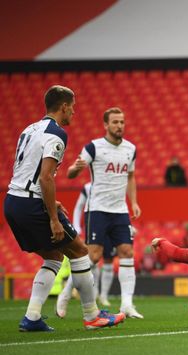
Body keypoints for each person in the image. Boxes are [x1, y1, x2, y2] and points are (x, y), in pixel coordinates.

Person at [3, 85, 125, 331]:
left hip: (14, 200)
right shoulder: (57, 134)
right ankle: (92, 316)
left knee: (55, 256)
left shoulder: (29, 129)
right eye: (73, 107)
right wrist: (53, 218)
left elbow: (27, 170)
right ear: (64, 106)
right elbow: (45, 177)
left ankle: (32, 317)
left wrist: (47, 201)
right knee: (80, 251)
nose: (74, 113)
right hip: (31, 202)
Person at [67, 107, 143, 319]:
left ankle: (127, 305)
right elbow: (70, 173)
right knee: (93, 256)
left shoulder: (131, 149)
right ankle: (66, 294)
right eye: (115, 122)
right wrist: (76, 168)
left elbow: (131, 177)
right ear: (106, 125)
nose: (120, 126)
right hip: (98, 209)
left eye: (122, 122)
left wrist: (134, 202)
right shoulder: (93, 147)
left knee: (127, 252)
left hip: (120, 210)